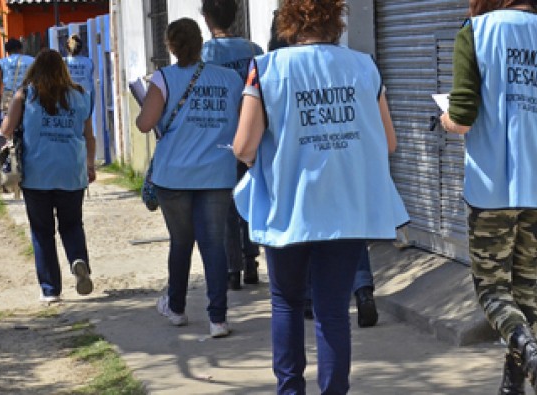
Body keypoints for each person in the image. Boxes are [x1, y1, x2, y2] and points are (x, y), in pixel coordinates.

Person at [232, 0, 409, 392]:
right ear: (337, 20)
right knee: (332, 313)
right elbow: (389, 142)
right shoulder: (364, 67)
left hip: (288, 207)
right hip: (344, 210)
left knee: (286, 302)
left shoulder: (267, 69)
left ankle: (290, 389)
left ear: (288, 23)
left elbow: (244, 147)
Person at [439, 1, 537, 394]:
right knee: (525, 285)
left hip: (494, 184)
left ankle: (532, 356)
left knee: (493, 288)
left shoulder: (477, 32)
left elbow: (460, 118)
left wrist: (442, 118)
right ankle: (515, 385)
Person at [135, 18, 243, 339]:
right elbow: (241, 118)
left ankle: (178, 309)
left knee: (181, 242)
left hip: (174, 176)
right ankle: (218, 319)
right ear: (201, 42)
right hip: (218, 172)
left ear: (170, 46)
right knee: (214, 243)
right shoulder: (230, 79)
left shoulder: (163, 78)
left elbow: (144, 124)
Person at [0, 49, 96, 304]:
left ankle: (50, 289)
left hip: (36, 173)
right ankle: (78, 260)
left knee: (42, 231)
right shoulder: (81, 96)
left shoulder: (26, 94)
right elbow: (89, 136)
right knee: (72, 224)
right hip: (72, 171)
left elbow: (7, 130)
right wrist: (90, 165)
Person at [199, 0, 265, 291]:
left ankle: (232, 268)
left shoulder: (203, 55)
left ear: (207, 17)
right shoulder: (254, 50)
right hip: (252, 133)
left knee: (226, 204)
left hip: (219, 137)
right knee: (250, 197)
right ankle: (251, 261)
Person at [0, 38, 35, 114]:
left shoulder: (2, 62)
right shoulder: (32, 60)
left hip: (8, 95)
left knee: (7, 120)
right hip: (27, 95)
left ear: (7, 51)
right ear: (20, 48)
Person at [64, 35, 94, 104]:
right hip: (85, 99)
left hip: (69, 99)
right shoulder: (89, 62)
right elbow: (91, 83)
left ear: (67, 48)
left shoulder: (64, 62)